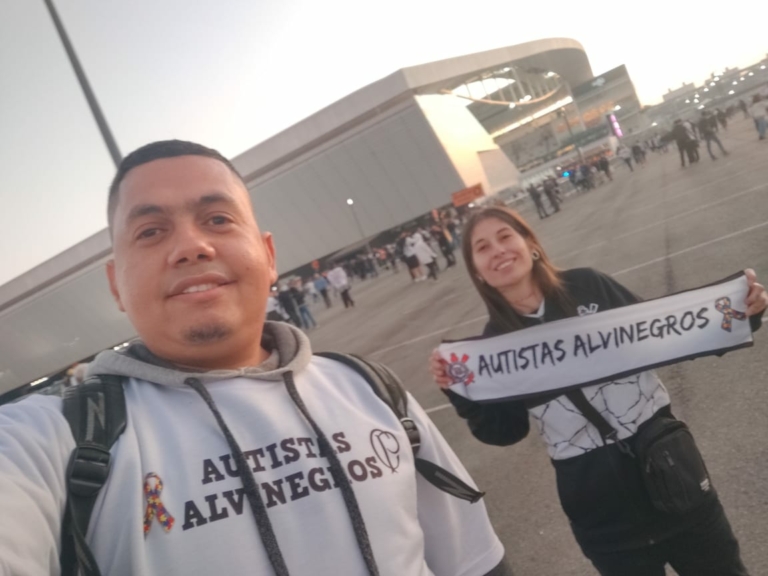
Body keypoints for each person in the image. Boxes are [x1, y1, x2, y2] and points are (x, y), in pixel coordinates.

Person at [0, 140, 511, 576]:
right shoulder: (57, 442)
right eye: (150, 231)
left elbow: (474, 560)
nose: (191, 246)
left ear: (268, 256)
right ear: (116, 285)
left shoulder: (370, 388)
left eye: (217, 219)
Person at [429, 205, 768, 576]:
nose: (497, 250)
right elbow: (504, 431)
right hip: (604, 519)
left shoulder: (588, 285)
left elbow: (668, 332)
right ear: (477, 272)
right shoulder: (490, 351)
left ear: (531, 244)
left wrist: (740, 313)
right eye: (482, 247)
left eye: (505, 236)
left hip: (675, 478)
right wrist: (459, 391)